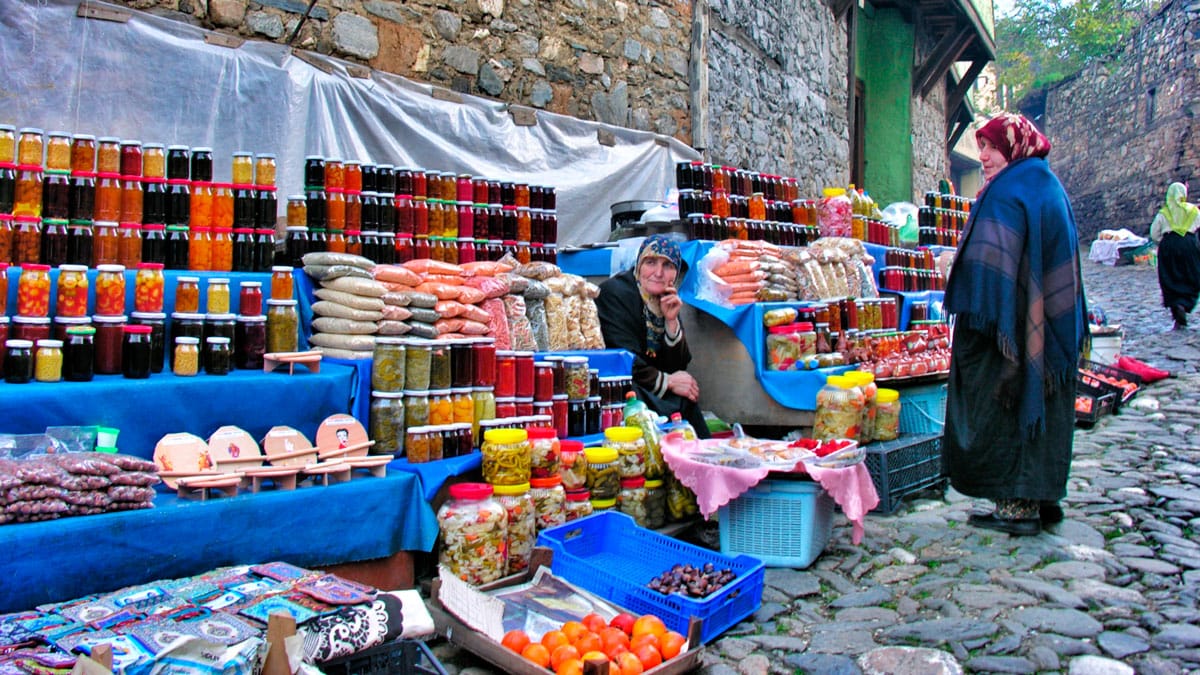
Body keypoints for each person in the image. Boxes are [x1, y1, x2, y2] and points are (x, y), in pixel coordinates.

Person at [943, 113, 1088, 536]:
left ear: (1013, 145)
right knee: (1045, 400)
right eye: (981, 147)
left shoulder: (1008, 191)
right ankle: (1041, 496)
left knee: (1004, 401)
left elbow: (990, 269)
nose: (983, 156)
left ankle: (1016, 506)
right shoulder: (1045, 183)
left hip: (1009, 331)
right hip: (1046, 326)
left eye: (990, 146)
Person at [595, 235, 711, 438]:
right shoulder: (615, 293)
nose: (658, 273)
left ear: (675, 273)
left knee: (684, 399)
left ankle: (699, 458)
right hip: (618, 384)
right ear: (639, 266)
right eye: (651, 262)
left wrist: (671, 322)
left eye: (667, 265)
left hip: (645, 382)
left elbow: (678, 364)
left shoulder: (664, 298)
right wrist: (668, 381)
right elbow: (622, 355)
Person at [1149, 182, 1200, 329]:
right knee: (1192, 274)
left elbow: (1154, 234)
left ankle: (1176, 303)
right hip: (1189, 245)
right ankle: (1186, 302)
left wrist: (1164, 243)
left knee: (1170, 276)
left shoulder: (1164, 213)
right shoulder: (1193, 210)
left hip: (1169, 245)